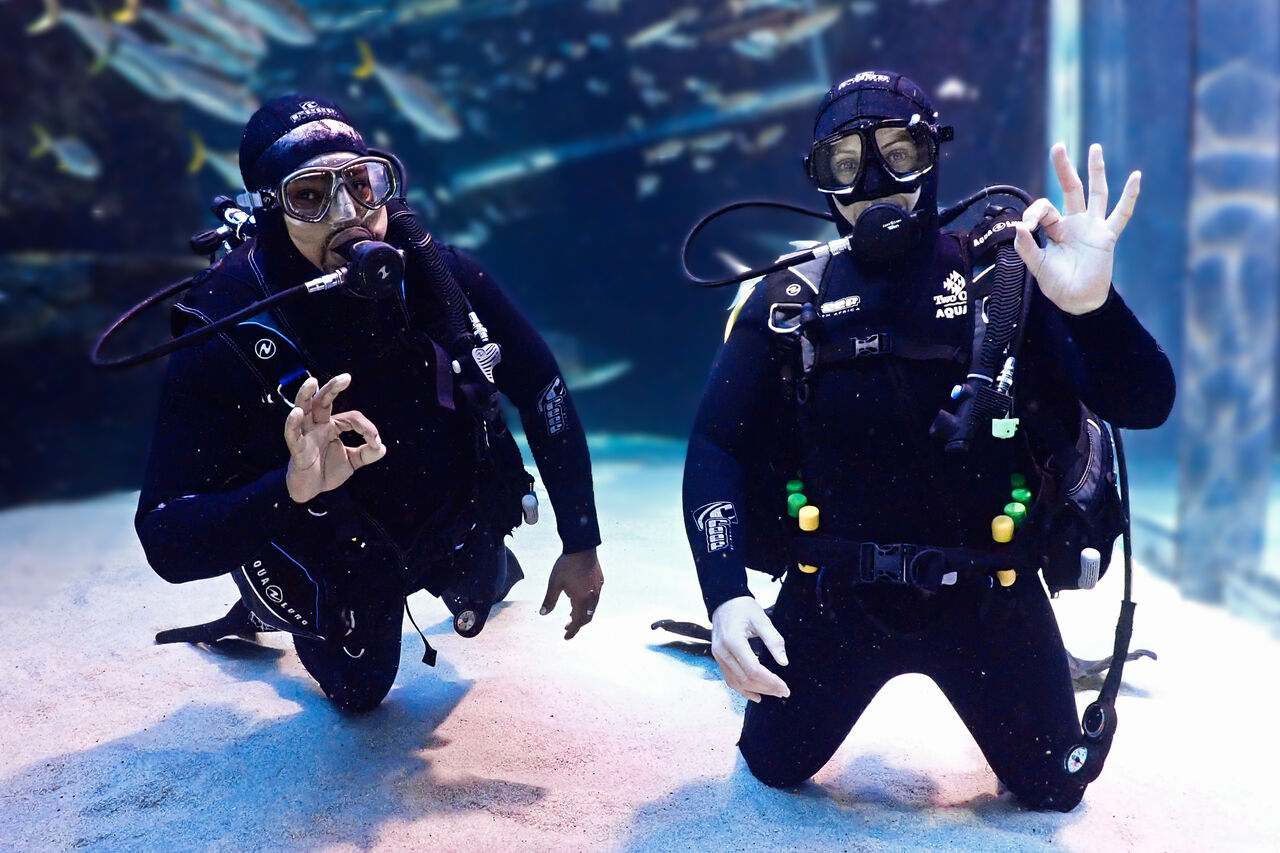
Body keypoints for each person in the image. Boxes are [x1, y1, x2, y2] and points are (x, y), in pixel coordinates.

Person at [682, 71, 1174, 811]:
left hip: (992, 597)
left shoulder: (1007, 277)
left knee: (1053, 789)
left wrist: (1094, 307)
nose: (875, 183)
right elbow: (716, 442)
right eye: (845, 166)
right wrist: (725, 597)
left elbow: (1146, 400)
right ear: (822, 182)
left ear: (932, 152)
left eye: (898, 153)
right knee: (772, 764)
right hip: (832, 596)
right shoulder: (791, 298)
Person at [137, 94, 604, 713]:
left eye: (361, 184)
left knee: (487, 584)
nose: (350, 214)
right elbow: (165, 537)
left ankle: (472, 566)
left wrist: (580, 541)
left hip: (448, 516)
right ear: (272, 210)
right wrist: (289, 490)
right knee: (361, 696)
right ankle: (258, 606)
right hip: (335, 546)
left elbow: (543, 390)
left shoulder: (439, 277)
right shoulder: (224, 327)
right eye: (311, 196)